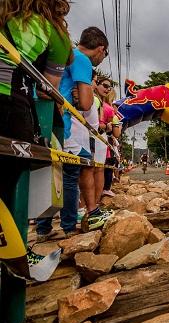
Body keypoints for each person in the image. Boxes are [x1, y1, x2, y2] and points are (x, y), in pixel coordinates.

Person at [0, 0, 72, 238]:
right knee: (8, 189)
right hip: (10, 101)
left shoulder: (5, 13)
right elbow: (48, 88)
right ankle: (12, 253)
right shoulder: (53, 31)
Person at [37, 26, 110, 240]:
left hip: (48, 117)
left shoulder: (67, 52)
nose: (102, 59)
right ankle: (71, 225)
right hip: (63, 122)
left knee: (52, 172)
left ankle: (43, 227)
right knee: (73, 170)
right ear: (100, 49)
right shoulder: (82, 60)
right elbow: (87, 104)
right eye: (104, 55)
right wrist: (81, 96)